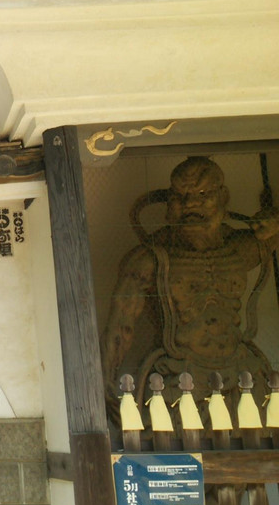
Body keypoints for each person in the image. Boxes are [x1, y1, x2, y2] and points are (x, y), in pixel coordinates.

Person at [101, 156, 279, 418]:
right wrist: (105, 388)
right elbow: (121, 326)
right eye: (181, 195)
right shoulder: (150, 258)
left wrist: (274, 222)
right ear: (169, 202)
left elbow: (270, 236)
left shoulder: (241, 247)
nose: (191, 204)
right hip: (177, 374)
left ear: (223, 196)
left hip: (242, 372)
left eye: (203, 193)